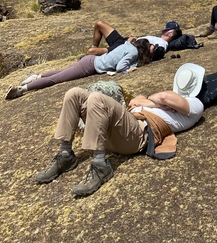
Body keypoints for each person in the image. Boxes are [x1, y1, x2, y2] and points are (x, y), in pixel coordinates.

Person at [34, 62, 205, 197]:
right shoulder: (167, 102)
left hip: (138, 135)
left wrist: (153, 101)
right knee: (74, 93)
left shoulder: (196, 104)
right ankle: (65, 155)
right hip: (118, 129)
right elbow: (137, 100)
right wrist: (154, 102)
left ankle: (100, 165)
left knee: (97, 98)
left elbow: (163, 96)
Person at [4, 37, 154, 100]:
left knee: (62, 73)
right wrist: (127, 71)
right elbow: (121, 66)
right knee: (56, 79)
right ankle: (21, 90)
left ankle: (37, 77)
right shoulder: (134, 52)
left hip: (91, 60)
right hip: (90, 66)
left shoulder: (127, 45)